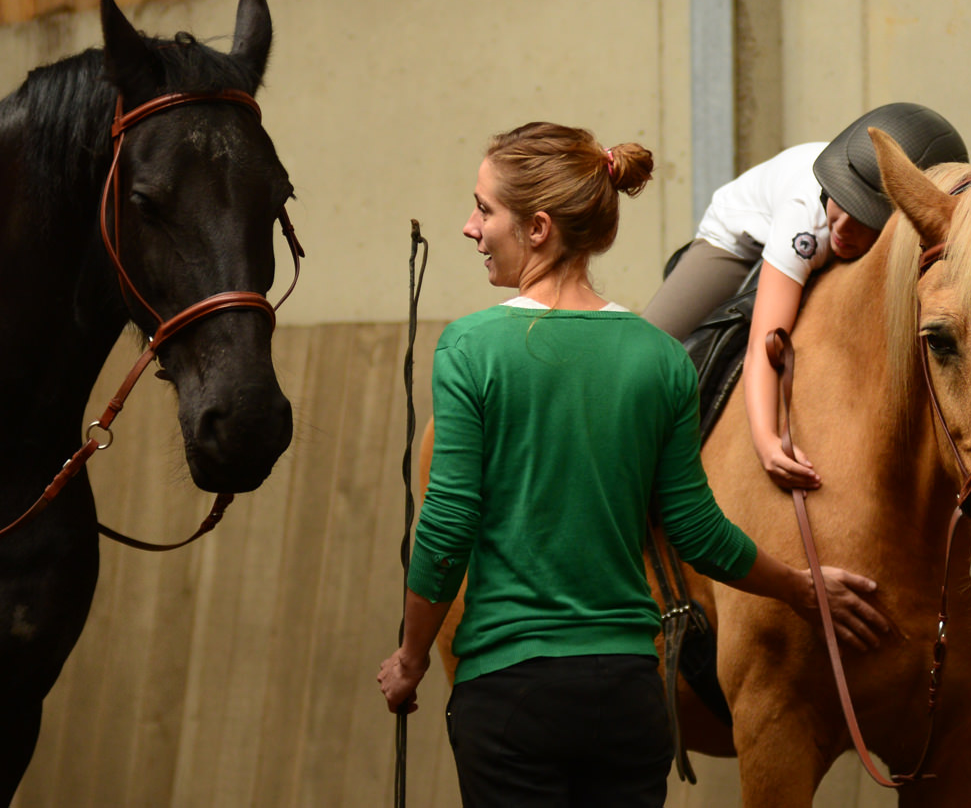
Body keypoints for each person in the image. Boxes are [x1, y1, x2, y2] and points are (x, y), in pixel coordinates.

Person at [376, 122, 889, 807]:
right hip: (630, 698)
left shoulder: (471, 348)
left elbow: (444, 530)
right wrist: (798, 587)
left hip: (510, 696)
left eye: (484, 209)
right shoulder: (657, 360)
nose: (470, 227)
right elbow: (697, 529)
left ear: (537, 228)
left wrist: (412, 658)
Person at [641, 103, 966, 491]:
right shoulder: (808, 221)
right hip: (740, 239)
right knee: (642, 356)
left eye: (865, 217)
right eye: (838, 202)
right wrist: (765, 439)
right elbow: (765, 339)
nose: (842, 228)